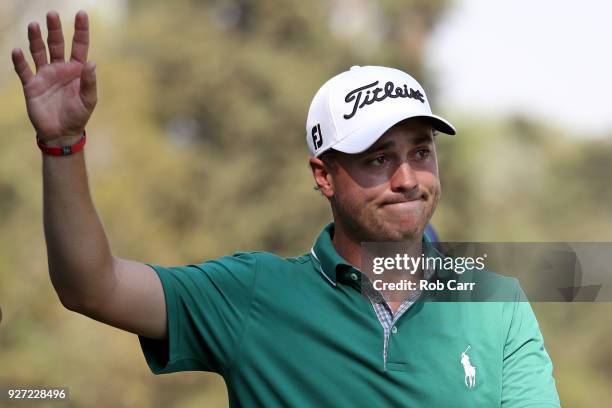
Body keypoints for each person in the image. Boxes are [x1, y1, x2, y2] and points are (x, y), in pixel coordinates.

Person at [12, 10, 561, 407]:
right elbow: (91, 287)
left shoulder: (497, 302)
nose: (407, 179)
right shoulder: (253, 294)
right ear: (323, 176)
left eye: (420, 152)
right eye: (377, 158)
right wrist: (63, 146)